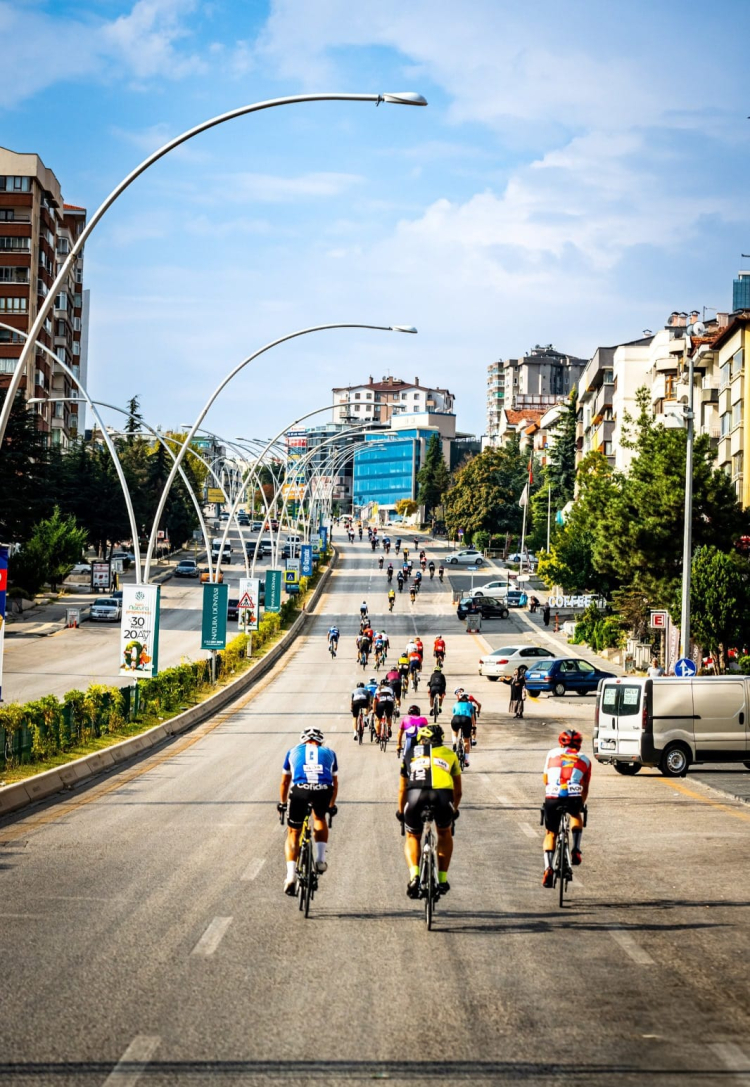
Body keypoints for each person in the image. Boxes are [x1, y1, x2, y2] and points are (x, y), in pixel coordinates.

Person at [398, 723, 461, 898]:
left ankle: (414, 876)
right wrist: (454, 810)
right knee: (443, 833)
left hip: (415, 796)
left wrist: (400, 812)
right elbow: (458, 791)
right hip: (442, 797)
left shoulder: (410, 754)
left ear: (421, 740)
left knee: (413, 836)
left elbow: (402, 789)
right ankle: (442, 880)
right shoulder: (450, 755)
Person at [279, 728, 338, 895]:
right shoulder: (329, 752)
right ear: (320, 742)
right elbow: (335, 783)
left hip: (300, 790)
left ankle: (291, 876)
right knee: (319, 818)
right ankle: (320, 860)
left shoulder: (293, 751)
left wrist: (282, 803)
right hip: (323, 789)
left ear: (302, 741)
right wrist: (331, 805)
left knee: (293, 832)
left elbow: (285, 782)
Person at [542, 730, 591, 889]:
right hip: (573, 795)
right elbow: (585, 787)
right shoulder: (585, 759)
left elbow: (545, 779)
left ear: (560, 743)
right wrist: (581, 803)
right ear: (579, 745)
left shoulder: (551, 753)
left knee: (551, 833)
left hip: (553, 797)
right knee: (576, 815)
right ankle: (576, 849)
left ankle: (548, 868)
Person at [450, 692, 475, 766]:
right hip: (466, 720)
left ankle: (454, 742)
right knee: (466, 740)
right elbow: (472, 718)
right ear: (467, 699)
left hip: (456, 719)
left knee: (454, 730)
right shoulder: (470, 705)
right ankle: (466, 760)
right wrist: (474, 727)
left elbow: (454, 715)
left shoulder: (455, 704)